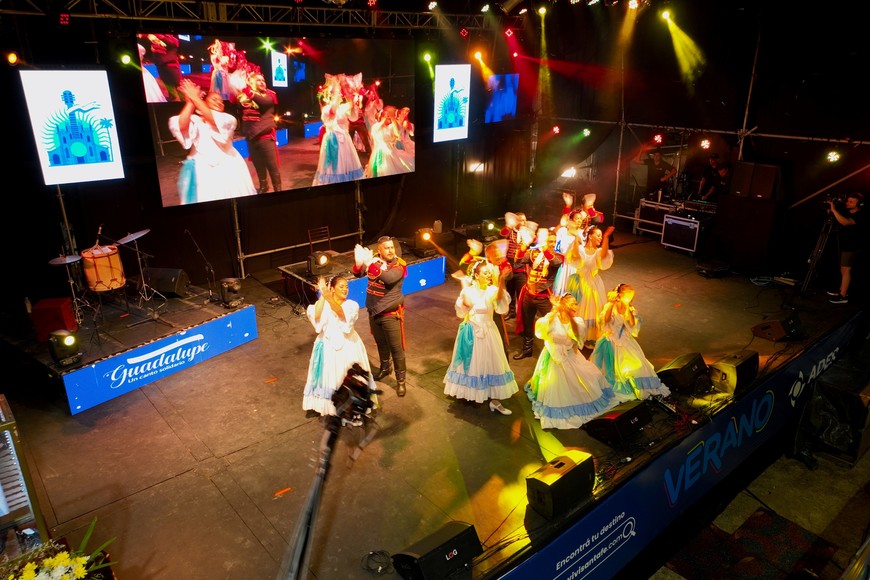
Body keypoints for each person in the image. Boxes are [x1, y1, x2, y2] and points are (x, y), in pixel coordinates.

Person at [525, 293, 628, 429]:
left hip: (569, 356)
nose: (576, 306)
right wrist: (554, 311)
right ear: (564, 305)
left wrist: (569, 352)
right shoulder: (551, 320)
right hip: (553, 358)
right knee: (556, 387)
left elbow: (576, 343)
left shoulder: (578, 322)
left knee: (587, 379)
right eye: (573, 303)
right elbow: (541, 332)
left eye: (576, 303)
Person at [443, 260, 519, 415]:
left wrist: (502, 280)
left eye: (489, 273)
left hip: (489, 331)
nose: (488, 275)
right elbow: (468, 304)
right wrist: (464, 283)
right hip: (472, 332)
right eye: (485, 273)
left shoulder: (492, 290)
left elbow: (501, 306)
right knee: (474, 365)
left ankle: (495, 401)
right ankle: (473, 395)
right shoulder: (469, 291)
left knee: (493, 364)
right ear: (476, 275)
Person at [168, 79, 257, 205]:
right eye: (214, 99)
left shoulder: (228, 119)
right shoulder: (195, 119)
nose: (219, 102)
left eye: (221, 101)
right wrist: (191, 101)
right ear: (204, 102)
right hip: (201, 171)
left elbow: (213, 120)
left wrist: (195, 98)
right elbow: (181, 126)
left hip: (227, 169)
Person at [302, 275, 378, 416]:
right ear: (333, 289)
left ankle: (352, 406)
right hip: (327, 347)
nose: (345, 289)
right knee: (329, 377)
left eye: (346, 286)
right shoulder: (325, 303)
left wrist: (326, 293)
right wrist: (324, 295)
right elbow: (316, 315)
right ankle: (327, 406)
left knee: (346, 376)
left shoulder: (351, 305)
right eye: (341, 286)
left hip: (347, 346)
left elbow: (341, 313)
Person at [591, 283, 670, 400]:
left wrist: (628, 310)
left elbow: (633, 327)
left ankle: (643, 388)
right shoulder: (610, 306)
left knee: (638, 365)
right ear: (620, 295)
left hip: (626, 342)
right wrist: (611, 305)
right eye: (627, 295)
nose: (629, 297)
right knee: (615, 370)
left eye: (631, 295)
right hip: (611, 342)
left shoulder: (631, 309)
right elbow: (605, 322)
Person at [352, 237, 409, 396]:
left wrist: (370, 263)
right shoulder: (375, 262)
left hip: (391, 315)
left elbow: (389, 279)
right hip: (374, 312)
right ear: (380, 249)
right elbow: (358, 274)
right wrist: (358, 263)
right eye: (387, 248)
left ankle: (401, 381)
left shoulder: (400, 265)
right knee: (381, 343)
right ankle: (385, 368)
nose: (391, 250)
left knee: (396, 348)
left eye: (392, 247)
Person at [513, 228, 563, 360]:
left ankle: (553, 353)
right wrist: (524, 246)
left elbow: (555, 262)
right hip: (529, 295)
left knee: (551, 326)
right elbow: (517, 261)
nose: (552, 244)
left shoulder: (558, 256)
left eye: (554, 241)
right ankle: (527, 349)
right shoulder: (533, 253)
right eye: (549, 241)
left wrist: (545, 249)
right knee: (527, 324)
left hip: (544, 298)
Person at [313, 74, 365, 186]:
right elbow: (333, 110)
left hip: (345, 141)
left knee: (346, 165)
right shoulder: (326, 110)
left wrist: (351, 95)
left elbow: (353, 117)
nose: (338, 95)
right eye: (334, 94)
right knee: (334, 167)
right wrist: (337, 86)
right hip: (333, 141)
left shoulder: (342, 107)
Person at [238, 72, 282, 194]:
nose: (262, 82)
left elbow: (263, 102)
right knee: (258, 166)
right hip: (251, 138)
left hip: (265, 137)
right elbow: (238, 103)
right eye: (258, 80)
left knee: (272, 167)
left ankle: (278, 190)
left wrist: (247, 90)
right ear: (252, 82)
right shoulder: (245, 96)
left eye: (263, 80)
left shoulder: (269, 95)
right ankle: (264, 187)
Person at [575, 225, 615, 348]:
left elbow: (603, 255)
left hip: (593, 285)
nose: (600, 238)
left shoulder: (598, 252)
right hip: (580, 284)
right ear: (590, 236)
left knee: (593, 310)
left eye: (601, 236)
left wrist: (606, 238)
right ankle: (577, 335)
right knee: (579, 310)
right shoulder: (580, 249)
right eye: (598, 235)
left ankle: (590, 337)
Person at [827, 192, 866, 304]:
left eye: (851, 202)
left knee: (846, 270)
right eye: (848, 201)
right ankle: (841, 290)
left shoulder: (860, 214)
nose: (847, 203)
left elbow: (845, 222)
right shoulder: (848, 211)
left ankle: (843, 296)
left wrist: (834, 210)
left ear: (859, 204)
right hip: (846, 245)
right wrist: (832, 210)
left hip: (852, 246)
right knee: (843, 269)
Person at [499, 211, 534, 320]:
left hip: (521, 270)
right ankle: (511, 312)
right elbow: (501, 234)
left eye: (524, 220)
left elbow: (535, 242)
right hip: (509, 268)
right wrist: (509, 225)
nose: (522, 222)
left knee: (522, 296)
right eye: (519, 219)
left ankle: (523, 318)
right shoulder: (510, 232)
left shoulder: (528, 233)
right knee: (509, 293)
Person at [142, 33, 181, 101]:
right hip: (161, 66)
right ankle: (172, 98)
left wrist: (155, 37)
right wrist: (153, 49)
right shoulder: (157, 42)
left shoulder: (173, 40)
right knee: (169, 87)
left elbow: (169, 42)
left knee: (176, 86)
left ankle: (179, 101)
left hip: (171, 66)